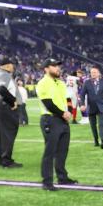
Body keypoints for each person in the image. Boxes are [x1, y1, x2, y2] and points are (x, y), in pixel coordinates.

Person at [35, 58, 77, 191]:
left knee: (63, 150)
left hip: (62, 119)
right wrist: (62, 113)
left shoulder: (60, 82)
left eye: (58, 66)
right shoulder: (43, 83)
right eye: (54, 66)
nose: (58, 68)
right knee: (50, 152)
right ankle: (47, 182)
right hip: (51, 119)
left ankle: (62, 177)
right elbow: (47, 103)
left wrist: (69, 112)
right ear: (46, 68)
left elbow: (68, 99)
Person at [0, 58, 22, 168]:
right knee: (8, 132)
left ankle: (0, 158)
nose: (13, 67)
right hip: (6, 105)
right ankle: (6, 160)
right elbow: (2, 89)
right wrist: (12, 101)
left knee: (0, 132)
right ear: (8, 66)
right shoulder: (5, 75)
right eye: (12, 65)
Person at [80, 66, 103, 148]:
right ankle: (96, 140)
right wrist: (82, 104)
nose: (93, 74)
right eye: (92, 72)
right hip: (91, 107)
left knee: (101, 124)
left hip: (101, 106)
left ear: (98, 73)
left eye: (95, 72)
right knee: (93, 125)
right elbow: (82, 95)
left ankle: (102, 141)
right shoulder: (86, 82)